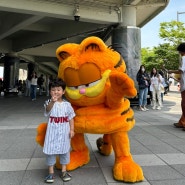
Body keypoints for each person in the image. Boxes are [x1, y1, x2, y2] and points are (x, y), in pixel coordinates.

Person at [43, 78, 75, 183]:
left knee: (65, 151)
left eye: (58, 90)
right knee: (50, 152)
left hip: (64, 133)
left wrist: (72, 129)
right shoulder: (48, 102)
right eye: (53, 90)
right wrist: (52, 101)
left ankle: (64, 171)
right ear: (50, 91)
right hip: (52, 133)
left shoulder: (67, 105)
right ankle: (51, 173)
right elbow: (47, 110)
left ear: (63, 91)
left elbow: (71, 118)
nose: (56, 92)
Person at [168, 43, 185, 130]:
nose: (179, 53)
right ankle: (182, 122)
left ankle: (183, 123)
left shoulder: (184, 58)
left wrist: (171, 71)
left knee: (184, 105)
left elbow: (181, 71)